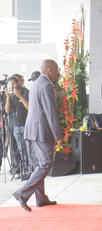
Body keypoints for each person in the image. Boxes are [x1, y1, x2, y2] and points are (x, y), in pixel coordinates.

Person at [12, 59, 63, 212]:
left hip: (31, 131)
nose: (57, 73)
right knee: (46, 163)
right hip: (41, 132)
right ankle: (22, 193)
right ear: (49, 70)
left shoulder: (36, 83)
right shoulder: (46, 85)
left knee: (37, 165)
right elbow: (50, 112)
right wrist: (57, 134)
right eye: (55, 70)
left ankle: (40, 198)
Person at [5, 75, 31, 178]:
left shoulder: (25, 92)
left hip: (25, 124)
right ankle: (24, 169)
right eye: (9, 85)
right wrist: (8, 97)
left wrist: (20, 96)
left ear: (17, 83)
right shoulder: (10, 95)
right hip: (15, 125)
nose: (12, 86)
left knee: (28, 148)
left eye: (13, 84)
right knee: (21, 149)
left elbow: (29, 107)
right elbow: (7, 111)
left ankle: (31, 169)